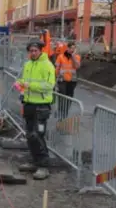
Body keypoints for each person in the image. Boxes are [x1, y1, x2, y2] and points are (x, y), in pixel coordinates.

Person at [14, 39, 56, 180]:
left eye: (35, 50)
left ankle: (44, 166)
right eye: (31, 51)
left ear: (40, 50)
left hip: (41, 106)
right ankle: (35, 161)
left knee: (38, 135)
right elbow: (25, 81)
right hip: (29, 104)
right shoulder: (28, 64)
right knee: (30, 135)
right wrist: (20, 84)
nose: (33, 53)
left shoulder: (47, 65)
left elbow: (49, 85)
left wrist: (29, 85)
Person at [55, 41, 81, 120]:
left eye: (74, 48)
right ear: (67, 48)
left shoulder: (77, 57)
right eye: (71, 48)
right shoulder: (61, 56)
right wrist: (55, 79)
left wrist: (73, 57)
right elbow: (57, 68)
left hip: (72, 81)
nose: (72, 50)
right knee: (62, 96)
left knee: (69, 97)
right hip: (62, 80)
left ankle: (65, 113)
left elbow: (77, 66)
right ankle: (61, 112)